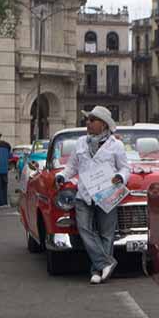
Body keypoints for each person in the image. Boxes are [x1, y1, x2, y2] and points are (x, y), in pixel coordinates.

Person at [57, 106, 129, 285]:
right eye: (87, 120)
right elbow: (72, 166)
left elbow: (125, 167)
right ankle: (106, 262)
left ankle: (97, 270)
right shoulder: (81, 142)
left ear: (103, 124)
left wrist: (121, 177)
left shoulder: (116, 145)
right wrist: (62, 176)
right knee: (84, 229)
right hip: (84, 194)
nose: (87, 123)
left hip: (107, 192)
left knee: (106, 233)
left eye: (92, 120)